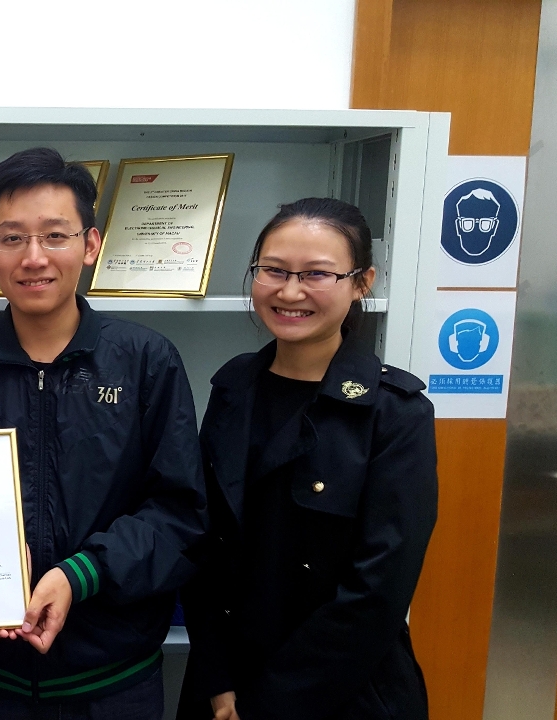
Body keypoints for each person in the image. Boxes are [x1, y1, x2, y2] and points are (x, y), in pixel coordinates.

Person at [0, 147, 206, 719]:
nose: (34, 257)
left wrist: (81, 574)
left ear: (90, 245)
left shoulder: (145, 360)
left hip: (114, 683)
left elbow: (180, 514)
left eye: (55, 236)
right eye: (12, 238)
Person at [177, 197, 437, 720]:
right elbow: (202, 544)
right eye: (273, 270)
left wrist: (266, 704)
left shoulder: (395, 413)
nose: (289, 291)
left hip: (343, 692)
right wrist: (218, 677)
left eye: (317, 274)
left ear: (362, 282)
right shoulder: (233, 388)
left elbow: (378, 592)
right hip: (223, 688)